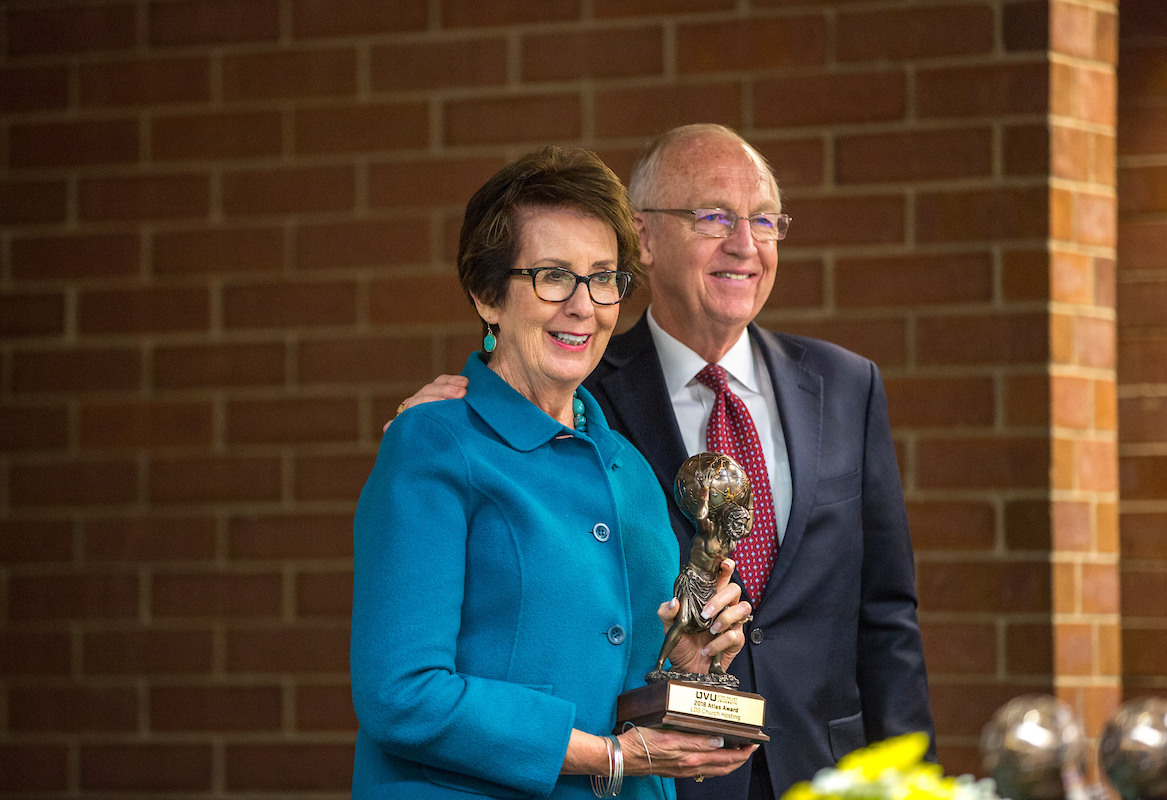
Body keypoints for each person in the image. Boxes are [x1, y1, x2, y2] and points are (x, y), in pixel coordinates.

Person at [393, 124, 937, 800]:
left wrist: (910, 778)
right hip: (649, 778)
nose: (745, 243)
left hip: (821, 771)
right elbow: (418, 679)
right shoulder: (570, 396)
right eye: (713, 216)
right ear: (645, 239)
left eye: (765, 219)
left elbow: (886, 616)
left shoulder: (847, 386)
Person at [352, 145, 758, 799]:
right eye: (552, 276)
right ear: (488, 295)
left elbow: (612, 682)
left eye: (603, 278)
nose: (584, 305)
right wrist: (610, 757)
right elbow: (402, 694)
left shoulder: (631, 470)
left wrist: (686, 660)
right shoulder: (431, 444)